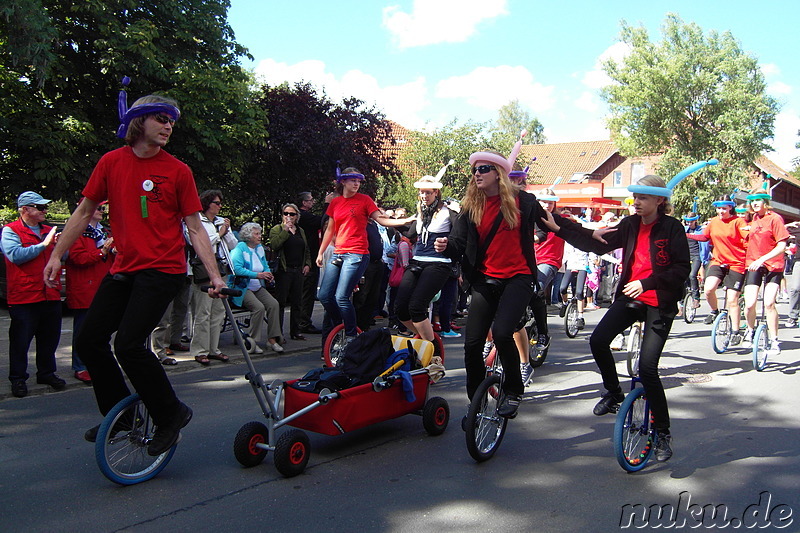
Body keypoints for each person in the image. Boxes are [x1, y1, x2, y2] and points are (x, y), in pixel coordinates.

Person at [43, 90, 227, 456]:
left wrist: (215, 275)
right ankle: (120, 418)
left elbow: (195, 227)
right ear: (138, 122)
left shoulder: (178, 170)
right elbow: (82, 213)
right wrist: (57, 255)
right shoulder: (112, 163)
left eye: (172, 121)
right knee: (89, 340)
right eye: (162, 118)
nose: (169, 126)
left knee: (128, 345)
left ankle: (171, 414)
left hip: (162, 269)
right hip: (125, 267)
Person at [436, 150, 593, 419]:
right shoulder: (471, 206)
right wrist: (445, 245)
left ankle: (514, 389)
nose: (477, 174)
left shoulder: (524, 202)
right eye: (474, 169)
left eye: (483, 168)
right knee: (472, 344)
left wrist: (592, 237)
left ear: (498, 172)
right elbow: (459, 244)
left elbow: (554, 225)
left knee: (501, 333)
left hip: (518, 278)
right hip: (485, 279)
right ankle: (476, 403)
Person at [552, 175, 690, 463]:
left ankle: (663, 432)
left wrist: (648, 282)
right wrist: (556, 222)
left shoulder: (672, 228)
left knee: (648, 369)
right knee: (598, 340)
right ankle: (614, 393)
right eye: (635, 197)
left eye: (643, 197)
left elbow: (681, 269)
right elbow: (597, 242)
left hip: (660, 303)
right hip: (630, 298)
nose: (636, 202)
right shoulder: (629, 225)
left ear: (659, 201)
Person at [315, 167, 413, 344]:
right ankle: (340, 325)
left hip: (357, 254)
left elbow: (381, 219)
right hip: (339, 253)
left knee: (341, 297)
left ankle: (351, 334)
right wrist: (321, 252)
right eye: (353, 180)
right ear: (343, 182)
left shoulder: (365, 200)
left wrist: (404, 221)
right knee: (324, 296)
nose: (356, 184)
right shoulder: (335, 203)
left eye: (359, 181)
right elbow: (330, 229)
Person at [2, 191, 65, 398]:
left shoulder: (49, 230)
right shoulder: (10, 231)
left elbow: (65, 255)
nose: (45, 211)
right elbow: (15, 256)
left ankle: (46, 373)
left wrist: (61, 245)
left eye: (44, 207)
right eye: (40, 207)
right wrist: (44, 245)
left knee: (49, 338)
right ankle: (18, 378)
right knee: (20, 340)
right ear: (25, 209)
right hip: (24, 296)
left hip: (50, 293)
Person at [395, 169, 457, 349]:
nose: (424, 195)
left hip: (439, 263)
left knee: (417, 307)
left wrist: (449, 243)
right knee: (400, 308)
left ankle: (433, 349)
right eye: (422, 192)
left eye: (428, 192)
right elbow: (411, 233)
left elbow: (460, 235)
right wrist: (390, 222)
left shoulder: (448, 211)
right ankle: (424, 337)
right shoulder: (421, 212)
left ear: (436, 193)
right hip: (418, 261)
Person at [64, 200, 115, 383]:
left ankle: (96, 364)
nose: (102, 211)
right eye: (99, 208)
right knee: (83, 329)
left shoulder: (104, 231)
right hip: (84, 288)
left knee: (100, 329)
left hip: (103, 286)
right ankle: (80, 366)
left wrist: (114, 251)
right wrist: (103, 251)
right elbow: (77, 258)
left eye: (103, 208)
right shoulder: (76, 232)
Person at [686, 196, 747, 343]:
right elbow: (705, 237)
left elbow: (748, 238)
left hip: (737, 263)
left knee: (732, 300)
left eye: (724, 208)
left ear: (730, 208)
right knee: (708, 289)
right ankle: (714, 311)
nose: (721, 211)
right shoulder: (713, 222)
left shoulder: (738, 222)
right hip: (718, 261)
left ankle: (735, 331)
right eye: (719, 208)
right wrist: (686, 235)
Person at [187, 190, 238, 365]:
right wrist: (220, 233)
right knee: (203, 312)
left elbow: (233, 244)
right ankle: (200, 350)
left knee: (218, 312)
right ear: (207, 204)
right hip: (203, 271)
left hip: (220, 268)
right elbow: (200, 242)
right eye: (217, 203)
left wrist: (227, 230)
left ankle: (213, 349)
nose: (220, 206)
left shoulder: (219, 222)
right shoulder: (196, 221)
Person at [740, 188, 790, 356]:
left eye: (758, 200)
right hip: (754, 264)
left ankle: (775, 340)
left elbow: (782, 246)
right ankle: (749, 330)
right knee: (749, 303)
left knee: (769, 303)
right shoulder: (754, 218)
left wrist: (763, 259)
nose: (754, 204)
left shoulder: (775, 219)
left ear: (765, 202)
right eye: (752, 201)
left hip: (773, 265)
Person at [230, 222, 284, 353]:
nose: (259, 236)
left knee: (274, 304)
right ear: (248, 235)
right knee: (258, 308)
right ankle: (252, 341)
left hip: (257, 287)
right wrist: (257, 275)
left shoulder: (259, 248)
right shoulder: (239, 248)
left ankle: (272, 339)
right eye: (256, 234)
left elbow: (264, 265)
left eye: (259, 233)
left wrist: (268, 273)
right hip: (242, 288)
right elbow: (236, 269)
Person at [269, 203, 313, 340]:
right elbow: (274, 245)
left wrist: (307, 264)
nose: (289, 217)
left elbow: (306, 249)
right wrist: (285, 231)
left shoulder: (301, 231)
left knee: (297, 302)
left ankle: (295, 331)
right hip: (284, 270)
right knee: (281, 302)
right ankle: (277, 333)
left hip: (298, 270)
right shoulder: (277, 229)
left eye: (292, 214)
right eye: (286, 214)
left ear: (297, 216)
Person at [296, 192, 323, 334]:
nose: (313, 202)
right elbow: (322, 220)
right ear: (304, 202)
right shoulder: (304, 217)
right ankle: (303, 322)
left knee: (307, 291)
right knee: (307, 291)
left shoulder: (304, 217)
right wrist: (327, 205)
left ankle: (303, 320)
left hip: (310, 258)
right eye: (311, 200)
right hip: (308, 259)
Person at [679, 212, 704, 314]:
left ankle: (696, 298)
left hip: (696, 256)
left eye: (691, 221)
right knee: (682, 278)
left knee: (692, 275)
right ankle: (681, 303)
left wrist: (705, 259)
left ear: (695, 221)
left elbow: (704, 245)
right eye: (687, 221)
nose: (689, 223)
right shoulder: (684, 230)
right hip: (685, 255)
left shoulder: (700, 231)